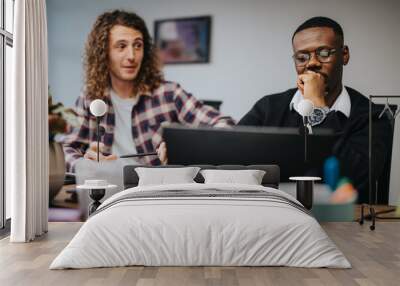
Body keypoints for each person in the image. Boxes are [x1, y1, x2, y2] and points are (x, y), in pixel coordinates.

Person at [239, 17, 391, 202]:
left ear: (344, 55)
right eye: (302, 57)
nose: (312, 63)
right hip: (276, 214)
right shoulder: (268, 108)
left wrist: (318, 106)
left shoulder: (373, 115)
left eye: (324, 52)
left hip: (342, 223)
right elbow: (233, 161)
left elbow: (357, 178)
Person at [63, 10, 234, 172]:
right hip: (109, 192)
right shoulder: (90, 96)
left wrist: (185, 148)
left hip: (156, 193)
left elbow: (225, 127)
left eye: (138, 45)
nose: (132, 55)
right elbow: (68, 148)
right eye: (121, 46)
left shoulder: (169, 93)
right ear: (103, 53)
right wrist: (84, 165)